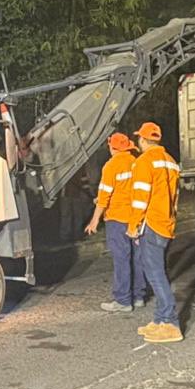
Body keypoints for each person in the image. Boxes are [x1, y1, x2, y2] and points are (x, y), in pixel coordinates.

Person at [130, 121, 182, 343]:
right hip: (166, 222)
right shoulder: (171, 162)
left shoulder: (144, 161)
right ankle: (160, 319)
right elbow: (175, 197)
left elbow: (140, 198)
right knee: (158, 271)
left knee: (154, 273)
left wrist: (133, 225)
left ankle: (170, 322)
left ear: (143, 140)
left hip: (151, 223)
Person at [84, 132, 146, 312]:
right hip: (135, 217)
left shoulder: (111, 166)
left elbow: (104, 197)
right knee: (138, 257)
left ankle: (123, 300)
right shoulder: (136, 163)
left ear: (112, 147)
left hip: (117, 219)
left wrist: (94, 220)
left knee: (121, 259)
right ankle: (139, 296)